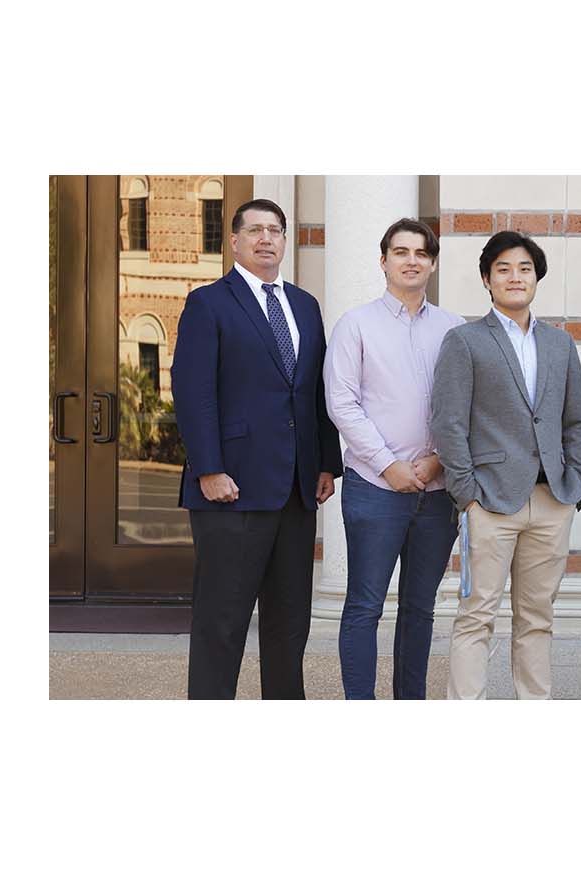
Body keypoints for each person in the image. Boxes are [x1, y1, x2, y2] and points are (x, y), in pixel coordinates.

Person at [171, 198, 341, 699]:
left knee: (289, 627)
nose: (266, 239)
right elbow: (192, 391)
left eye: (275, 230)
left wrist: (327, 463)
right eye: (255, 231)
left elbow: (314, 392)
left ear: (285, 241)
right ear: (235, 241)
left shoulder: (305, 306)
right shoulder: (209, 303)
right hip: (231, 489)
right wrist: (208, 468)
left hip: (296, 491)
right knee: (221, 626)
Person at [430, 230, 581, 700]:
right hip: (490, 501)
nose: (514, 277)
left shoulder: (560, 344)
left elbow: (577, 420)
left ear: (536, 277)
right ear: (487, 279)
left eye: (524, 268)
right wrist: (467, 494)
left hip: (552, 500)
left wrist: (575, 484)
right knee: (477, 614)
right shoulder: (465, 341)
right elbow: (448, 422)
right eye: (503, 269)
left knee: (538, 617)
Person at [324, 218, 466, 699]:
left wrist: (438, 461)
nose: (411, 260)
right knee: (364, 606)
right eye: (400, 252)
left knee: (420, 609)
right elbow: (341, 403)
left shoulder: (453, 329)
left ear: (432, 263)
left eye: (421, 253)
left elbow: (466, 406)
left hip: (437, 490)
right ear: (383, 261)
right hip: (375, 488)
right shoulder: (356, 324)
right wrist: (388, 464)